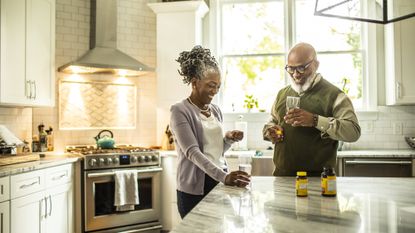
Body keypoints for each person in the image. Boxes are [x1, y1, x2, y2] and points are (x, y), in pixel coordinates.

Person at [170, 45, 251, 219]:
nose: (214, 91)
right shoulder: (179, 110)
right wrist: (225, 177)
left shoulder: (215, 110)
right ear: (194, 82)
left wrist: (228, 140)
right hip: (194, 189)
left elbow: (216, 151)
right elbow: (193, 152)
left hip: (217, 180)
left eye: (218, 87)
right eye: (210, 86)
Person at [263, 42, 361, 176]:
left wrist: (315, 120)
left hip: (319, 180)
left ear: (316, 64)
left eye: (301, 68)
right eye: (290, 69)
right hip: (282, 177)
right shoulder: (282, 94)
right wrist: (270, 131)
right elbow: (272, 121)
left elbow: (353, 132)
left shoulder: (335, 95)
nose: (296, 74)